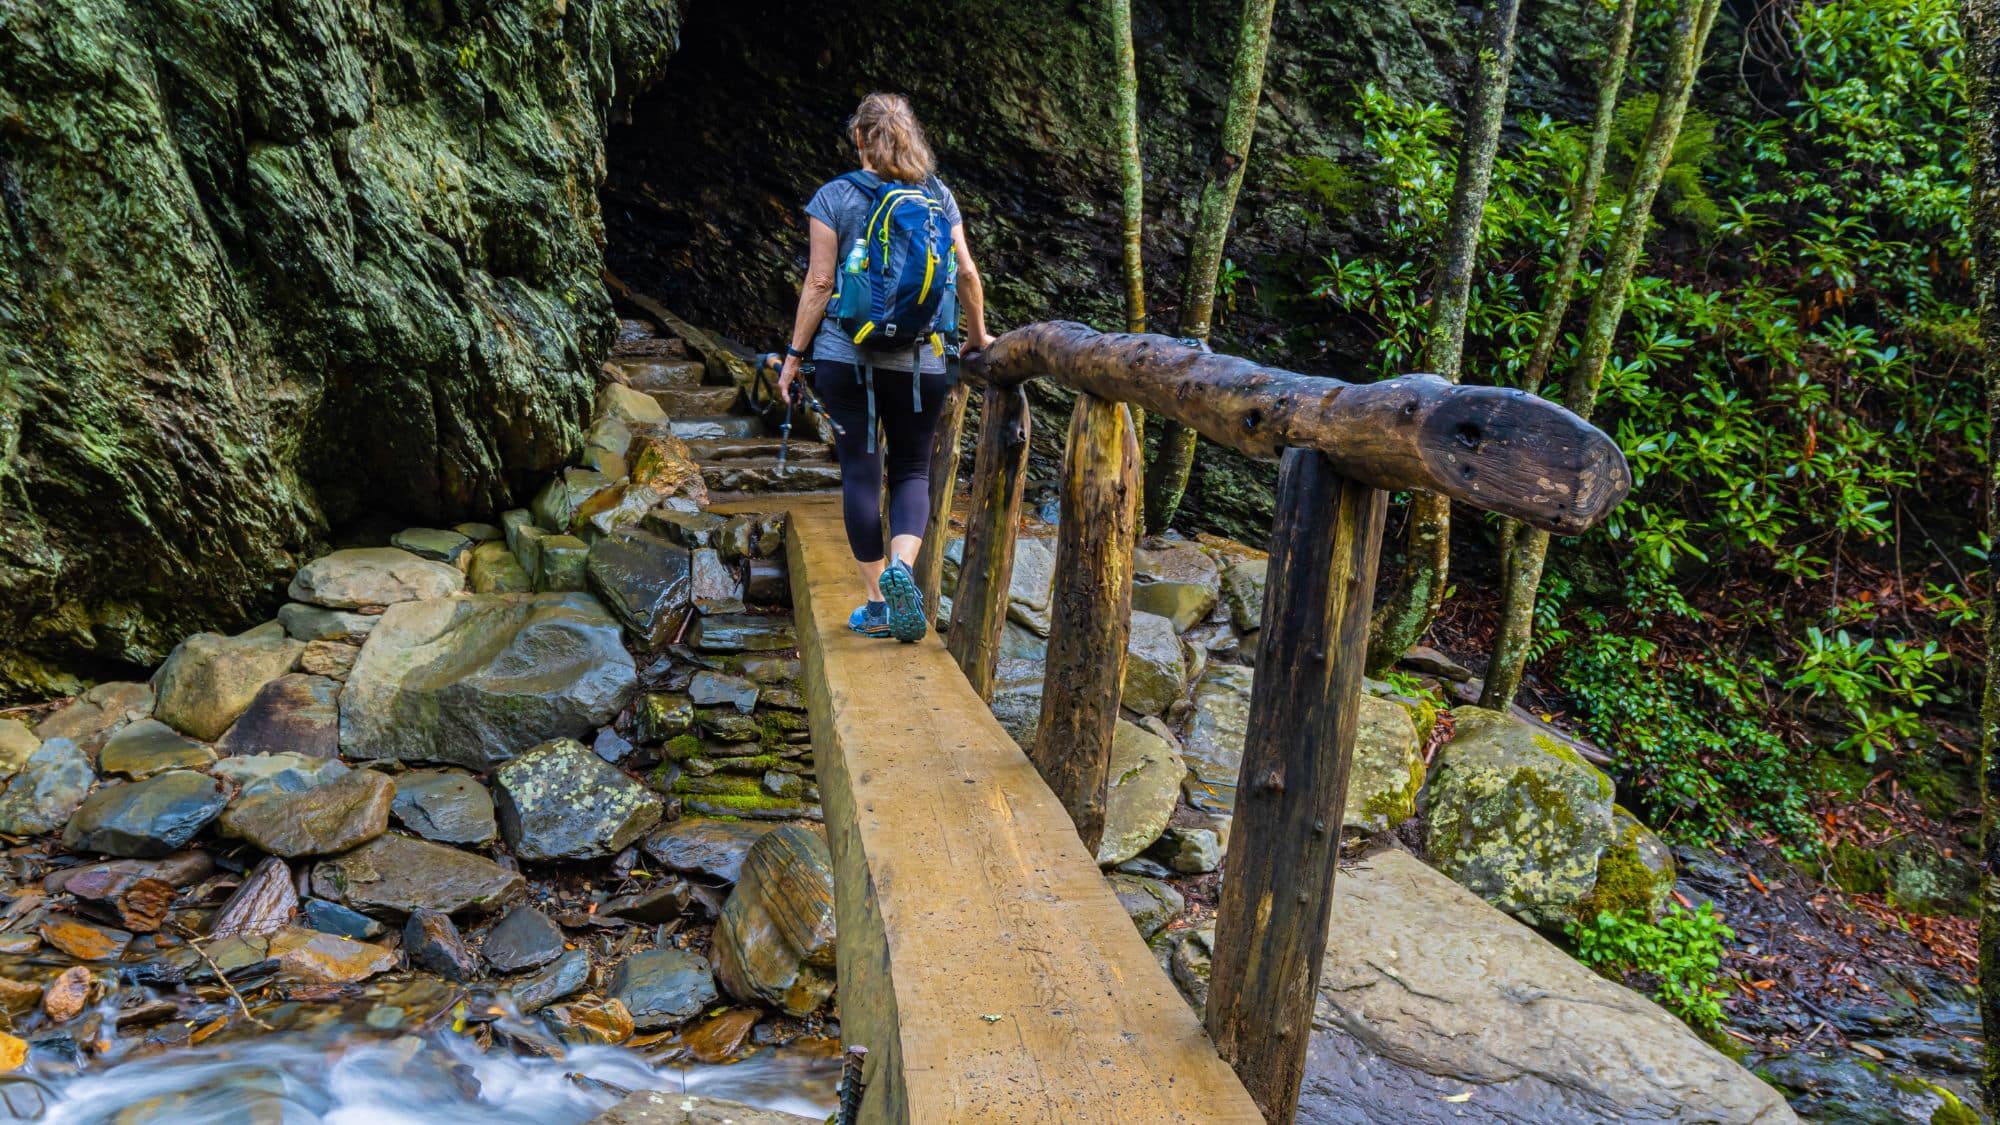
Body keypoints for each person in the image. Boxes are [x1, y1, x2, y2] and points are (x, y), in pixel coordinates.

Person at [777, 93, 994, 643]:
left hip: (845, 358)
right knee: (912, 470)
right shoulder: (938, 196)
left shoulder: (833, 197)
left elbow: (821, 284)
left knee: (860, 472)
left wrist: (795, 356)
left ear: (859, 140)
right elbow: (966, 273)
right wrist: (976, 336)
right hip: (921, 363)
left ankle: (877, 602)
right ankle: (903, 566)